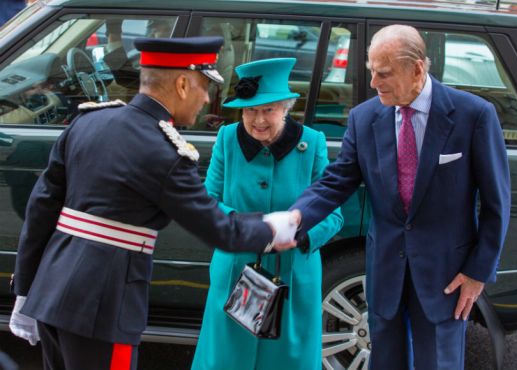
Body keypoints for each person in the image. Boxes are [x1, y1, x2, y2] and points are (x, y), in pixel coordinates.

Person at [8, 36, 299, 370]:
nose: (206, 99)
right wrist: (275, 228)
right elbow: (220, 230)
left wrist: (26, 287)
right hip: (103, 306)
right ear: (182, 83)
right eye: (205, 87)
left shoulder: (88, 122)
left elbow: (42, 207)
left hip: (51, 293)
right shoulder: (163, 152)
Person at [291, 25, 511, 369]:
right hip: (385, 272)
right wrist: (295, 218)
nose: (375, 82)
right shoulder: (364, 118)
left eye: (385, 73)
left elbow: (497, 204)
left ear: (418, 69)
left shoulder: (473, 115)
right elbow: (337, 180)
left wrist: (478, 272)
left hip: (446, 276)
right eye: (372, 72)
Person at [191, 58, 343, 370]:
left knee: (287, 360)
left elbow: (333, 212)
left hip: (293, 276)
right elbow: (207, 201)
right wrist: (251, 227)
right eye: (251, 110)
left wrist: (297, 233)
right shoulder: (228, 139)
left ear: (286, 108)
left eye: (268, 110)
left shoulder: (311, 143)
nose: (258, 119)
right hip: (235, 272)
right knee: (227, 359)